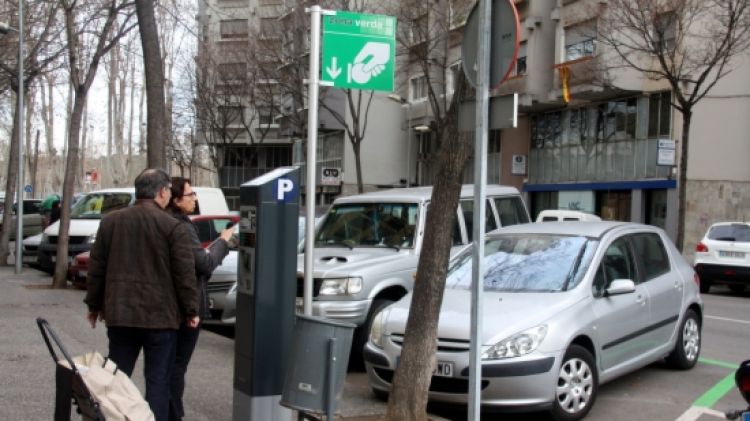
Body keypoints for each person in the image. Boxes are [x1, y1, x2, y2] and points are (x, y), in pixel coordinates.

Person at [84, 169, 200, 421]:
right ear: (161, 192)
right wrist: (191, 310)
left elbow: (97, 269)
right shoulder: (172, 227)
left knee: (117, 379)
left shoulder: (111, 222)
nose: (169, 193)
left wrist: (93, 305)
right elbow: (184, 275)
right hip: (161, 320)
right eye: (169, 189)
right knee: (158, 382)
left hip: (121, 315)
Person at [166, 177, 233, 421]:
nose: (195, 198)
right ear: (175, 200)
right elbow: (203, 263)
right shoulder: (181, 226)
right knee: (176, 366)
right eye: (190, 194)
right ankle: (174, 414)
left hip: (169, 306)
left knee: (167, 366)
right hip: (185, 307)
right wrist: (223, 241)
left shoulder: (170, 222)